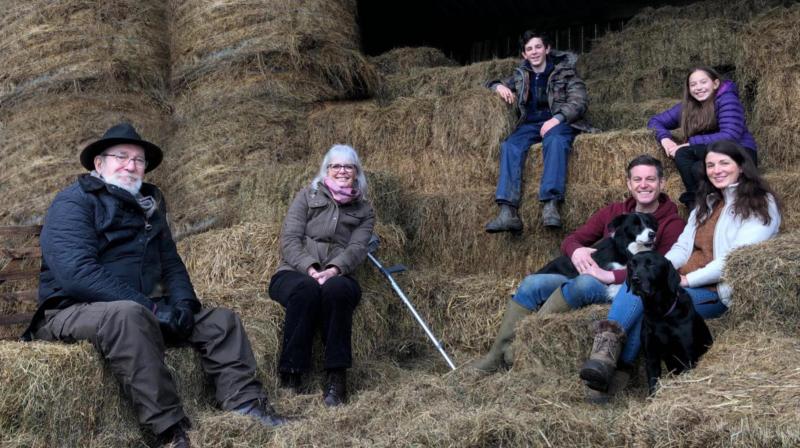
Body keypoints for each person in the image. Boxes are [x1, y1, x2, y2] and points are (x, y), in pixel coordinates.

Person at [22, 123, 288, 448]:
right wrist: (150, 308)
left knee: (221, 322)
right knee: (128, 316)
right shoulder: (74, 203)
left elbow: (171, 264)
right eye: (121, 157)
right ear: (99, 164)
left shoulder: (149, 207)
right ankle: (169, 429)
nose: (131, 166)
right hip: (72, 309)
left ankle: (245, 405)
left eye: (138, 160)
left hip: (139, 309)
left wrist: (184, 305)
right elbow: (77, 273)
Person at [580, 140, 781, 402]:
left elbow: (734, 260)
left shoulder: (760, 204)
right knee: (643, 287)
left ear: (741, 167)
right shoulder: (707, 203)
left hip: (714, 289)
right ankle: (604, 360)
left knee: (648, 301)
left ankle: (616, 367)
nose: (716, 170)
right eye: (710, 165)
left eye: (724, 163)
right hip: (681, 280)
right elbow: (682, 247)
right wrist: (662, 269)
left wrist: (687, 280)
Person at [471, 155, 685, 373]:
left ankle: (523, 345)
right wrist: (576, 251)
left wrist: (609, 276)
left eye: (650, 179)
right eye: (637, 179)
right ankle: (495, 355)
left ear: (662, 183)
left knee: (584, 283)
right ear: (629, 184)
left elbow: (662, 268)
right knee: (532, 283)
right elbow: (572, 239)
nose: (643, 185)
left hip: (620, 290)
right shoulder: (614, 212)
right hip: (586, 275)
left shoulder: (672, 223)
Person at [268, 144, 375, 407]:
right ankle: (292, 373)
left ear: (356, 172)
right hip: (294, 272)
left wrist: (334, 270)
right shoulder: (307, 196)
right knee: (306, 289)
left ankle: (336, 379)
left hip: (339, 275)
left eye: (348, 166)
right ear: (326, 170)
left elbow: (357, 248)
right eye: (336, 165)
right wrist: (311, 269)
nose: (342, 171)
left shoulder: (364, 210)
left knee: (336, 291)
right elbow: (290, 239)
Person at [484, 29, 593, 232]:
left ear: (547, 49)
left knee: (555, 141)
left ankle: (551, 205)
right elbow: (488, 83)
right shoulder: (521, 75)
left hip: (559, 122)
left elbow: (579, 101)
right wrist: (498, 86)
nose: (534, 52)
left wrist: (557, 119)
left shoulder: (565, 72)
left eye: (538, 47)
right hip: (530, 124)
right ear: (524, 54)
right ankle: (508, 211)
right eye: (529, 49)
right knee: (510, 145)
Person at [649, 66, 758, 209]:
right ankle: (699, 206)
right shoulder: (688, 106)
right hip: (712, 152)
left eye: (703, 82)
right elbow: (655, 122)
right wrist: (665, 139)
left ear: (715, 83)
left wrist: (691, 143)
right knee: (696, 168)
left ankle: (702, 204)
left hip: (739, 151)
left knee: (685, 155)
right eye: (693, 84)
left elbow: (730, 135)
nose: (698, 88)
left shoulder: (727, 99)